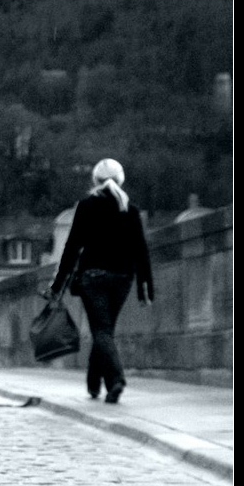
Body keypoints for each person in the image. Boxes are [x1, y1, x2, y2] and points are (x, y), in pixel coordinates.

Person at [48, 158, 154, 404]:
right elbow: (141, 250)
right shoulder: (130, 210)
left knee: (101, 330)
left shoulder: (86, 207)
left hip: (92, 277)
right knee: (104, 330)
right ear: (121, 180)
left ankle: (115, 380)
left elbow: (72, 248)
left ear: (95, 181)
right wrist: (145, 286)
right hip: (122, 278)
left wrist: (58, 285)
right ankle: (94, 382)